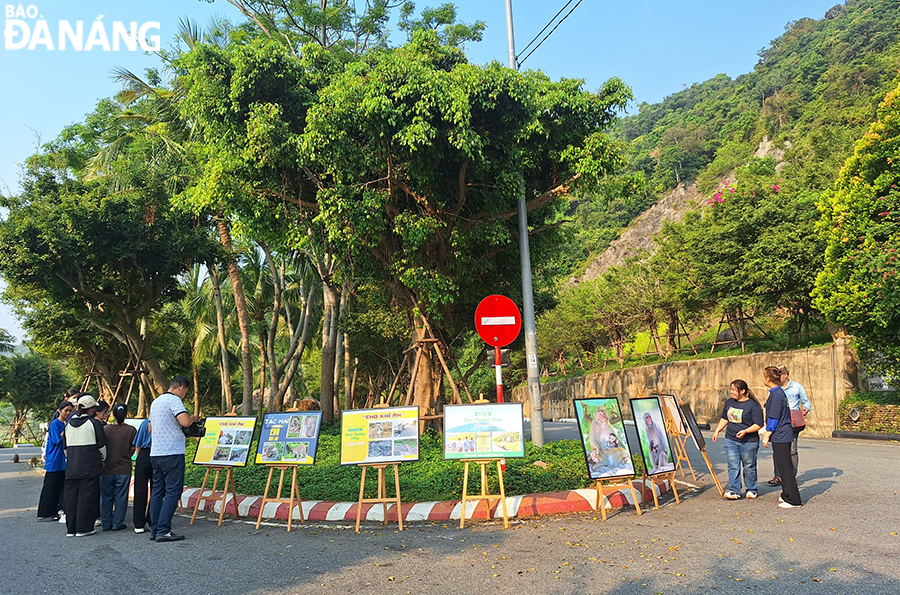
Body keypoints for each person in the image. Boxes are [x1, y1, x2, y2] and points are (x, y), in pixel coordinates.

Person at [148, 376, 198, 542]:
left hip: (156, 453)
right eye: (186, 392)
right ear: (182, 388)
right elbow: (184, 422)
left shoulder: (156, 402)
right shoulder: (174, 400)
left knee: (157, 492)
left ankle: (154, 529)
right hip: (172, 453)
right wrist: (193, 419)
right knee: (172, 492)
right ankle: (164, 530)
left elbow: (150, 428)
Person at [62, 395, 107, 537]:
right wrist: (102, 460)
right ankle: (84, 528)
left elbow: (65, 448)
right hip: (89, 465)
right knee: (87, 497)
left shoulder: (68, 424)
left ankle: (71, 528)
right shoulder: (94, 424)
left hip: (72, 467)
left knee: (71, 497)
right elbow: (102, 446)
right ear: (92, 409)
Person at [712, 380, 764, 500]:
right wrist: (717, 430)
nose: (732, 392)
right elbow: (725, 418)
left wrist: (746, 431)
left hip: (749, 441)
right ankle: (735, 491)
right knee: (733, 465)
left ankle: (751, 489)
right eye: (731, 389)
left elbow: (759, 424)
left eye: (734, 390)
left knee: (749, 465)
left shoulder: (752, 406)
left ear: (742, 391)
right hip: (731, 439)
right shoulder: (730, 402)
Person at [761, 366, 802, 508]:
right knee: (782, 466)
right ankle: (786, 494)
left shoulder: (777, 394)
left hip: (781, 434)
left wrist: (767, 434)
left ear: (767, 378)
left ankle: (793, 499)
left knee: (785, 468)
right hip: (781, 434)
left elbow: (774, 417)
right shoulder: (777, 392)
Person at [768, 365, 812, 486]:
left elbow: (806, 401)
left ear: (786, 375)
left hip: (792, 422)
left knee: (792, 450)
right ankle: (778, 475)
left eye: (780, 374)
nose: (777, 376)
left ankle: (792, 476)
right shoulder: (775, 389)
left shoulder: (797, 387)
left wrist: (806, 408)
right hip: (779, 421)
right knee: (777, 450)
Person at [100, 404, 136, 532]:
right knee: (121, 496)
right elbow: (133, 449)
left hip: (106, 468)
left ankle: (105, 524)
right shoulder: (131, 430)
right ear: (126, 414)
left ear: (112, 414)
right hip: (124, 467)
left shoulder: (105, 429)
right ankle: (117, 523)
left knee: (106, 496)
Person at [37, 400, 74, 521]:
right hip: (54, 460)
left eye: (70, 411)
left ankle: (54, 511)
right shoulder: (55, 424)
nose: (68, 413)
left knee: (58, 487)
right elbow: (56, 439)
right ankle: (44, 512)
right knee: (50, 487)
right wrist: (65, 432)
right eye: (66, 411)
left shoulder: (64, 424)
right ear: (59, 411)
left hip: (62, 461)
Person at [132, 417, 153, 534]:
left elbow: (138, 444)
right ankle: (152, 520)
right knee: (156, 490)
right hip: (158, 455)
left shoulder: (145, 423)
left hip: (144, 455)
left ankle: (139, 524)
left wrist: (139, 459)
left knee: (140, 490)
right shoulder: (165, 422)